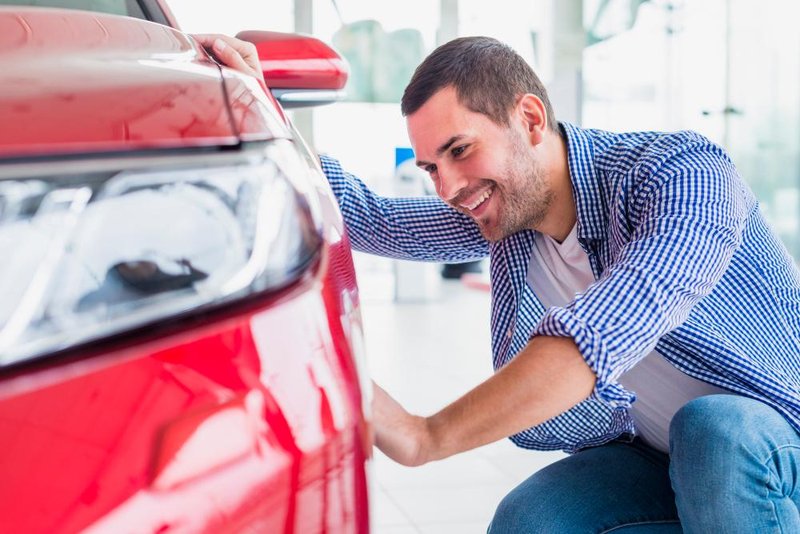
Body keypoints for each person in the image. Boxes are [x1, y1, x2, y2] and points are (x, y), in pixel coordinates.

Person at [198, 33, 800, 532]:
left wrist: (425, 435)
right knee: (529, 520)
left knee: (717, 431)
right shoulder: (509, 217)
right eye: (432, 166)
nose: (448, 186)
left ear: (530, 118)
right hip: (657, 453)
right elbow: (367, 216)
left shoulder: (682, 176)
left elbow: (604, 331)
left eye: (460, 150)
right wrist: (254, 104)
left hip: (775, 441)